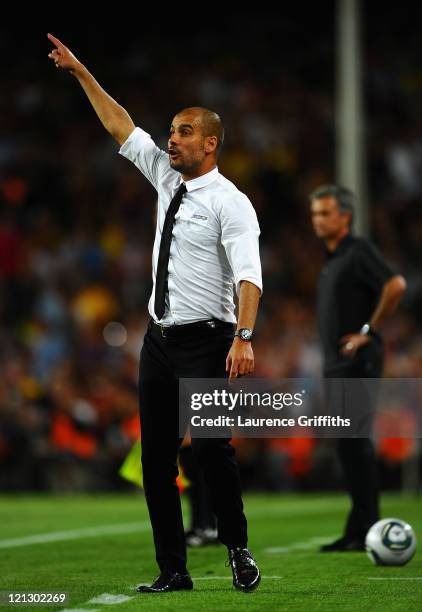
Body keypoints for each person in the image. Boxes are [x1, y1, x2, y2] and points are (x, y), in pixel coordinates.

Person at [47, 33, 262, 593]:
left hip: (210, 340)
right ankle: (174, 570)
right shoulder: (166, 176)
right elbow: (120, 125)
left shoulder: (230, 202)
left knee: (214, 451)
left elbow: (249, 276)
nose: (172, 138)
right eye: (170, 130)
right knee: (156, 461)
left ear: (210, 143)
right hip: (160, 340)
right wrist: (81, 73)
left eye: (184, 131)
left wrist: (243, 335)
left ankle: (236, 546)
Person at [310, 184, 407, 552]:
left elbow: (395, 284)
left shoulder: (358, 250)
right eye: (315, 214)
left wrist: (368, 330)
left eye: (325, 213)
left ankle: (367, 526)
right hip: (338, 364)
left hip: (357, 360)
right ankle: (358, 526)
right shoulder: (332, 258)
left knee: (356, 441)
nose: (318, 221)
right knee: (347, 445)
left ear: (345, 216)